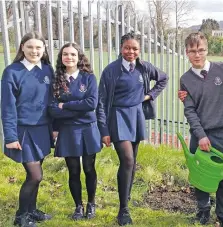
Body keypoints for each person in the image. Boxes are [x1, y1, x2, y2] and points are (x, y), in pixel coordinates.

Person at [96, 31, 168, 226]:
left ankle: (125, 198)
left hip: (136, 116)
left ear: (139, 50)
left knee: (133, 161)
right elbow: (101, 102)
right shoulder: (110, 70)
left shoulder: (144, 67)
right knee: (127, 160)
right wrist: (104, 130)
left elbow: (163, 78)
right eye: (127, 47)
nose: (131, 52)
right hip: (117, 118)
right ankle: (123, 210)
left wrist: (149, 95)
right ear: (121, 48)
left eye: (135, 48)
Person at [180, 32, 223, 227]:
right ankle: (203, 210)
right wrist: (201, 135)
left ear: (207, 50)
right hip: (200, 135)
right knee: (201, 176)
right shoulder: (185, 79)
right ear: (186, 52)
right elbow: (190, 111)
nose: (198, 55)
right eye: (193, 51)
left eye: (201, 50)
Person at [1, 31, 54, 227]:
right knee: (35, 175)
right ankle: (21, 216)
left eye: (38, 47)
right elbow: (7, 107)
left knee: (36, 174)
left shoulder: (47, 70)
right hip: (23, 132)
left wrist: (54, 128)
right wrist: (10, 136)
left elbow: (52, 102)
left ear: (44, 49)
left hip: (43, 130)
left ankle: (32, 210)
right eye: (30, 46)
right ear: (22, 47)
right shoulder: (12, 72)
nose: (34, 51)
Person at [48, 42, 101, 220]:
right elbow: (53, 109)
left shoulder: (88, 78)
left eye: (72, 54)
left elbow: (91, 104)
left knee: (88, 167)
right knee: (73, 170)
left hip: (88, 129)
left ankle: (91, 204)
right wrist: (74, 110)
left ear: (79, 57)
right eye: (65, 54)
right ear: (61, 58)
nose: (69, 57)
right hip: (68, 130)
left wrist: (66, 106)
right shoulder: (57, 79)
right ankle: (78, 206)